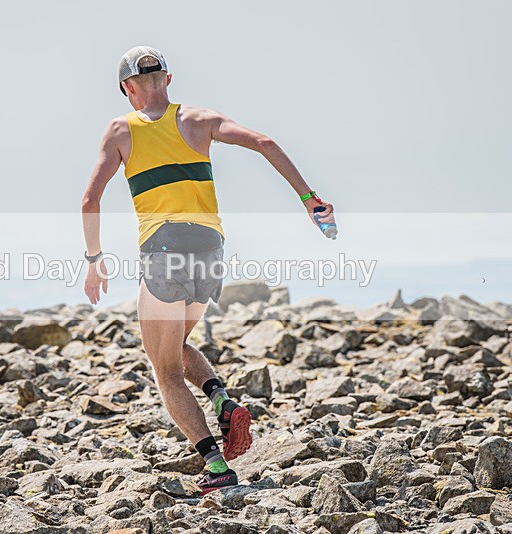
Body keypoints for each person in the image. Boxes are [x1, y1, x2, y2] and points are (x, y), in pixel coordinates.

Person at [81, 46, 335, 494]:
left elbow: (90, 200)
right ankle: (220, 398)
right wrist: (308, 198)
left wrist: (94, 259)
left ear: (128, 89)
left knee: (165, 370)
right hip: (209, 248)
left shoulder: (121, 129)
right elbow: (265, 143)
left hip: (163, 248)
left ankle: (216, 466)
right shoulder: (198, 119)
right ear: (169, 80)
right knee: (176, 342)